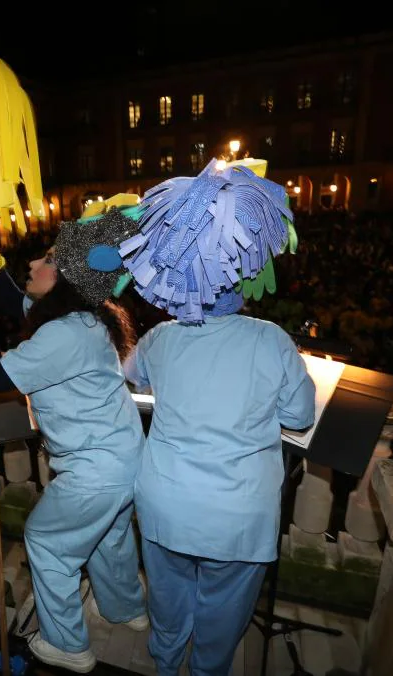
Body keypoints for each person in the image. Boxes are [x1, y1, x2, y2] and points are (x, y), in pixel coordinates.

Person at [121, 159, 316, 676]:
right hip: (238, 517)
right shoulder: (271, 340)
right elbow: (298, 413)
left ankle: (166, 664)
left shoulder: (159, 338)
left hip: (164, 504)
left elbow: (133, 378)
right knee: (223, 613)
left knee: (167, 601)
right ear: (241, 273)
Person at [0, 196, 148, 673]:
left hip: (95, 468)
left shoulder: (65, 333)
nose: (35, 262)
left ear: (67, 277)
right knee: (110, 538)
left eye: (47, 259)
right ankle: (126, 609)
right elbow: (16, 298)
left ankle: (68, 644)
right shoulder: (86, 317)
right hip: (123, 457)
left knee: (46, 541)